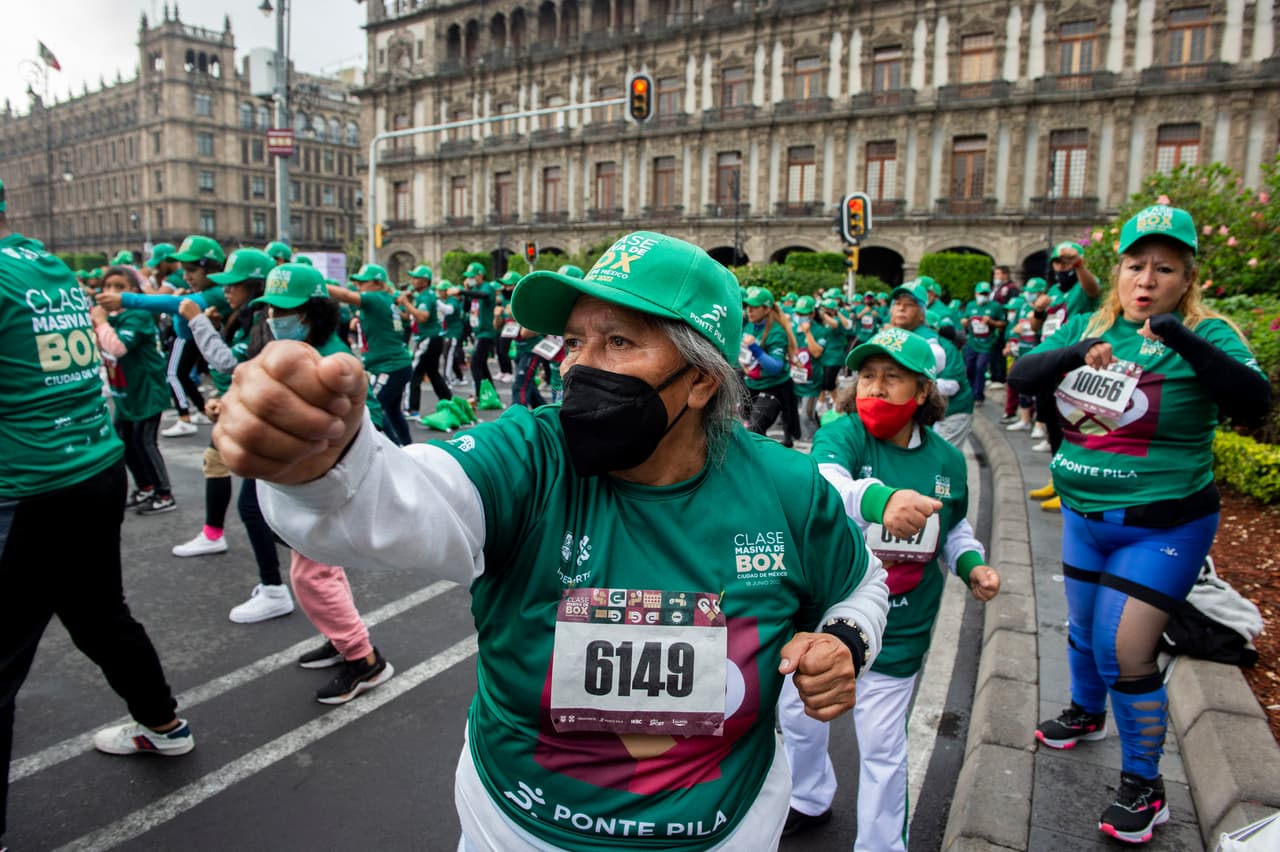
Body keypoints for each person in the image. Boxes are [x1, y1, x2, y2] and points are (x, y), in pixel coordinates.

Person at [214, 231, 889, 850]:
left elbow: (862, 583)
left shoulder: (787, 488)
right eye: (574, 342)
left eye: (618, 342)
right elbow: (399, 500)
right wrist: (324, 465)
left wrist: (845, 639)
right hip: (516, 827)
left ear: (702, 379)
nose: (577, 368)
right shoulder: (531, 456)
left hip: (727, 828)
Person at [1009, 205, 1271, 845]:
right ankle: (1087, 711)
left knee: (1123, 648)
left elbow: (1254, 403)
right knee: (1080, 624)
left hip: (1164, 525)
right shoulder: (1087, 322)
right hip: (1084, 514)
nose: (1146, 280)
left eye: (1164, 268)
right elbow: (1021, 375)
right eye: (1135, 266)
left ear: (1187, 278)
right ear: (1118, 270)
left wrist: (1175, 336)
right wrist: (1073, 352)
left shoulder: (1211, 335)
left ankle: (1144, 786)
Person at [0, 181, 193, 852]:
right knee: (98, 614)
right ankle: (163, 723)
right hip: (92, 469)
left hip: (29, 485)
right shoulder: (43, 265)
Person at [779, 326, 1000, 850]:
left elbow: (956, 529)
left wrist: (972, 566)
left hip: (901, 629)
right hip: (824, 619)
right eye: (867, 376)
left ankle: (881, 845)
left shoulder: (946, 462)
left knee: (881, 745)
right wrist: (880, 500)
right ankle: (808, 797)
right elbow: (826, 484)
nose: (874, 389)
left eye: (891, 377)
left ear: (922, 391)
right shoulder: (842, 433)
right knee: (798, 714)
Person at [179, 248, 296, 623]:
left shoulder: (264, 323)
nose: (226, 291)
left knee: (259, 507)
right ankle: (275, 575)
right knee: (263, 503)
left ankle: (277, 587)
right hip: (256, 418)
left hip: (268, 424)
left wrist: (198, 322)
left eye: (235, 285)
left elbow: (232, 363)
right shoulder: (250, 318)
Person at [89, 265, 177, 515]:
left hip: (147, 391)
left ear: (133, 291)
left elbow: (117, 348)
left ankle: (164, 493)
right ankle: (145, 486)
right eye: (107, 286)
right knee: (124, 442)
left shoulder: (137, 316)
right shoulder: (111, 319)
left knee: (144, 442)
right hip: (126, 393)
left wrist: (101, 322)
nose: (111, 292)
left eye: (120, 287)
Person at [328, 264, 414, 446]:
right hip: (395, 364)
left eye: (363, 282)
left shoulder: (375, 298)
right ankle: (407, 448)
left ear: (377, 283)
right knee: (392, 411)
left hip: (389, 366)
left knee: (371, 409)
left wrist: (316, 284)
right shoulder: (386, 299)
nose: (358, 286)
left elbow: (346, 296)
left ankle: (395, 451)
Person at [887, 281, 974, 447]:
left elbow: (949, 381)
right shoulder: (898, 336)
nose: (901, 308)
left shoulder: (931, 341)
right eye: (897, 303)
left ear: (922, 314)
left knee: (941, 463)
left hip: (953, 411)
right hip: (926, 413)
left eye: (910, 305)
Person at [741, 286, 802, 447]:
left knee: (754, 430)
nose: (750, 311)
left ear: (767, 309)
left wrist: (755, 348)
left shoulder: (776, 331)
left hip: (773, 387)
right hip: (750, 385)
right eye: (748, 306)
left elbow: (775, 366)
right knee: (744, 429)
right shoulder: (749, 326)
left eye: (755, 307)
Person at [401, 264, 454, 416]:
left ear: (425, 281)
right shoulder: (426, 296)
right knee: (432, 372)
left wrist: (407, 304)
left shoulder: (425, 296)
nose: (413, 280)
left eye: (416, 278)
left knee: (414, 373)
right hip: (434, 338)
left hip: (428, 338)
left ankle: (411, 408)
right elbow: (412, 317)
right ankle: (448, 400)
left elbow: (423, 317)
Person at [961, 281, 1007, 406]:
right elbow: (965, 319)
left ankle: (978, 396)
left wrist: (991, 322)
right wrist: (964, 321)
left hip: (987, 344)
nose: (983, 295)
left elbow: (1003, 323)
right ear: (976, 293)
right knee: (969, 368)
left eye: (986, 293)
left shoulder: (995, 307)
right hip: (972, 342)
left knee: (980, 367)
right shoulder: (970, 306)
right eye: (981, 293)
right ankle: (969, 392)